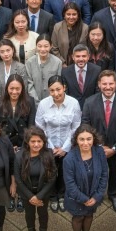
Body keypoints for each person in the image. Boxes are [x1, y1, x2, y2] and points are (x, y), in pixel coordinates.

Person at [81, 70, 116, 214]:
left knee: (115, 172)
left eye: (111, 83)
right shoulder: (89, 102)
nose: (108, 87)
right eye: (104, 84)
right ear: (99, 84)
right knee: (94, 172)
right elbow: (85, 126)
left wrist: (114, 148)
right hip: (95, 147)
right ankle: (95, 195)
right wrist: (97, 146)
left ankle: (113, 194)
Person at [35, 75, 82, 213]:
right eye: (52, 90)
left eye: (58, 89)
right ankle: (52, 196)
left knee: (64, 172)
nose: (55, 93)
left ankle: (62, 195)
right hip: (48, 145)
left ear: (64, 87)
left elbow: (76, 127)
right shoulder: (43, 104)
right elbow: (40, 127)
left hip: (67, 145)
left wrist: (65, 148)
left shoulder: (74, 103)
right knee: (49, 172)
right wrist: (50, 146)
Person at [63, 124, 109, 231]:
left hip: (94, 195)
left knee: (89, 216)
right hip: (76, 198)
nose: (85, 143)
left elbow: (104, 174)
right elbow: (70, 184)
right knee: (78, 217)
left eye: (89, 139)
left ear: (93, 139)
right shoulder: (69, 159)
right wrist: (84, 199)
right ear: (76, 140)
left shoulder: (99, 152)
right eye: (81, 139)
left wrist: (97, 196)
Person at [14, 127, 57, 231]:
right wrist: (30, 196)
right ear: (27, 142)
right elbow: (18, 179)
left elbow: (53, 177)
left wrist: (39, 196)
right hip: (26, 193)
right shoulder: (19, 156)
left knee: (43, 214)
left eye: (39, 141)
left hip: (43, 192)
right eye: (33, 141)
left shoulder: (49, 154)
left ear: (44, 141)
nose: (36, 144)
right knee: (29, 214)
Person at [0, 74, 37, 153]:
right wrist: (8, 146)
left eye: (17, 89)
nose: (14, 92)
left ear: (22, 89)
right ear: (7, 88)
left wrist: (23, 147)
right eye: (11, 88)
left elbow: (31, 127)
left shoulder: (29, 102)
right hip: (4, 144)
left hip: (23, 145)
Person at [25, 34, 63, 103]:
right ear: (36, 46)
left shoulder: (57, 62)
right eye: (39, 46)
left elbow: (58, 84)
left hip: (52, 101)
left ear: (51, 46)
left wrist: (48, 102)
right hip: (33, 102)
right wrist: (36, 101)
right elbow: (29, 84)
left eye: (46, 46)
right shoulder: (29, 62)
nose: (42, 49)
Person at [62, 44, 101, 109]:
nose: (81, 59)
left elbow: (98, 92)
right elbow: (65, 94)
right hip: (72, 108)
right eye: (77, 56)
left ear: (88, 57)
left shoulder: (96, 70)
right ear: (73, 57)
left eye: (84, 56)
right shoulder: (65, 72)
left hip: (91, 108)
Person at [51, 2, 89, 66]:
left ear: (78, 15)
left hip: (81, 64)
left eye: (74, 14)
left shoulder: (85, 28)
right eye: (68, 14)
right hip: (62, 64)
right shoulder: (57, 27)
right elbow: (54, 48)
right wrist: (62, 63)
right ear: (64, 15)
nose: (71, 17)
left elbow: (87, 48)